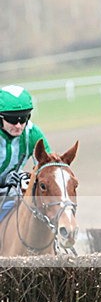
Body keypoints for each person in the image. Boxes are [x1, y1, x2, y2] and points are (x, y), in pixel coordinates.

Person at [0, 85, 51, 217]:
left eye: (23, 118)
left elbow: (49, 167)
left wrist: (29, 176)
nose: (18, 125)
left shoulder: (33, 133)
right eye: (12, 119)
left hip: (12, 190)